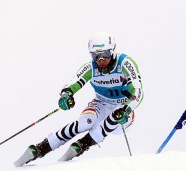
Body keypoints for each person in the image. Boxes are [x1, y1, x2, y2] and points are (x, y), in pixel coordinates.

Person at [14, 31, 144, 166]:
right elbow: (73, 84)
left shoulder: (125, 63)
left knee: (115, 118)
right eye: (96, 56)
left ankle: (83, 144)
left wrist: (127, 109)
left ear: (112, 51)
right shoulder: (91, 68)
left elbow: (138, 91)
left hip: (122, 107)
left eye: (105, 55)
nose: (101, 60)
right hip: (101, 103)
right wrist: (66, 95)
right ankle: (41, 148)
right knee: (85, 123)